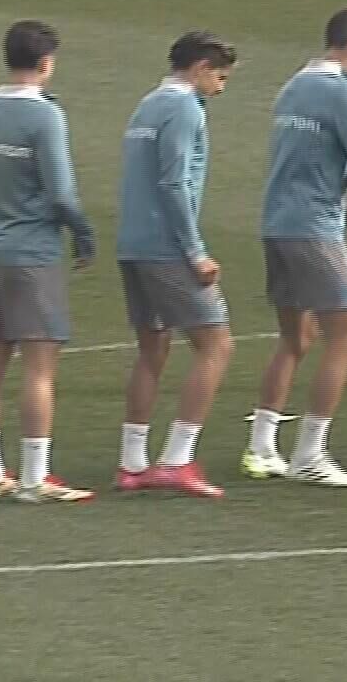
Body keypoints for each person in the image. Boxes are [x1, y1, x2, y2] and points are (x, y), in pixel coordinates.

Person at [242, 8, 347, 488]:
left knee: (295, 338)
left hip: (277, 223)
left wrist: (337, 200)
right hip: (313, 228)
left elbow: (296, 161)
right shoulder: (344, 93)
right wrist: (337, 192)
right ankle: (309, 454)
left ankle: (261, 447)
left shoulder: (293, 85)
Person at [0, 20, 96, 503]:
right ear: (45, 63)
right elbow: (62, 193)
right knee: (39, 368)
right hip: (31, 252)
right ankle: (34, 478)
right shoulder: (45, 116)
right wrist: (83, 235)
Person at [115, 33, 238, 499]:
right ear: (201, 67)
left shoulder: (147, 104)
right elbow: (173, 184)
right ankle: (176, 460)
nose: (221, 88)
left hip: (133, 243)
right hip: (166, 247)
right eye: (220, 77)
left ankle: (132, 463)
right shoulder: (185, 108)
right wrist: (196, 251)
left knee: (153, 349)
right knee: (216, 344)